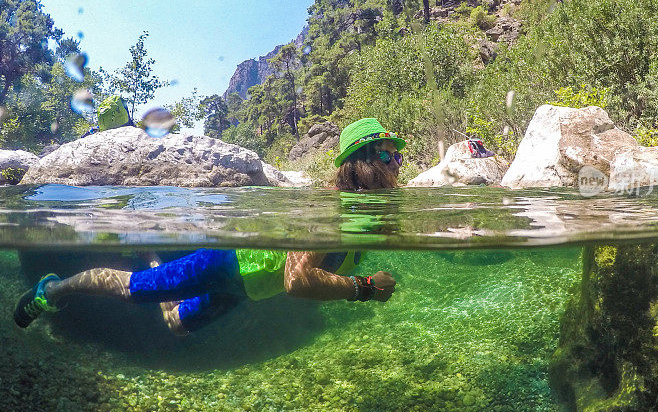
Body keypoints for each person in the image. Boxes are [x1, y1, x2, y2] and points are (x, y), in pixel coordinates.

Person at [13, 118, 404, 335]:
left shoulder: (365, 216)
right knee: (132, 292)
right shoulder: (331, 209)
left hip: (247, 290)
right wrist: (364, 288)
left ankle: (150, 255)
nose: (397, 163)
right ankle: (52, 289)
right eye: (389, 155)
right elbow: (297, 280)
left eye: (398, 157)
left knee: (177, 324)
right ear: (362, 161)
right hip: (229, 263)